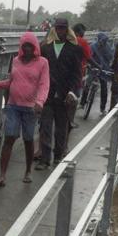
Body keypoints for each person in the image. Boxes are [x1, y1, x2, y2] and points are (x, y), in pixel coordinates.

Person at [0, 31, 49, 186]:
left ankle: (27, 171)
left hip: (31, 108)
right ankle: (2, 175)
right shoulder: (15, 61)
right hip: (13, 106)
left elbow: (44, 85)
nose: (26, 49)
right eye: (24, 46)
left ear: (35, 47)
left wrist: (40, 101)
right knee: (9, 138)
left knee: (28, 139)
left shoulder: (43, 62)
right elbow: (9, 83)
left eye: (30, 46)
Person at [36, 18, 83, 169]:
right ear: (54, 29)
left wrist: (72, 92)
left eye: (63, 28)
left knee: (61, 128)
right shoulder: (45, 48)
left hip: (64, 95)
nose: (60, 31)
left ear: (67, 29)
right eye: (58, 28)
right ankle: (44, 160)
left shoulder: (75, 49)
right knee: (45, 127)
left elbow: (77, 73)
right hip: (47, 94)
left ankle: (58, 156)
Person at [88, 31, 113, 113]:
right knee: (87, 83)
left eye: (104, 41)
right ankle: (83, 101)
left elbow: (110, 58)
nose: (103, 43)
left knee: (104, 88)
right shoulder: (93, 46)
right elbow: (89, 56)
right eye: (102, 41)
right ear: (98, 40)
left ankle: (102, 108)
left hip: (104, 69)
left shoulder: (108, 47)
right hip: (94, 67)